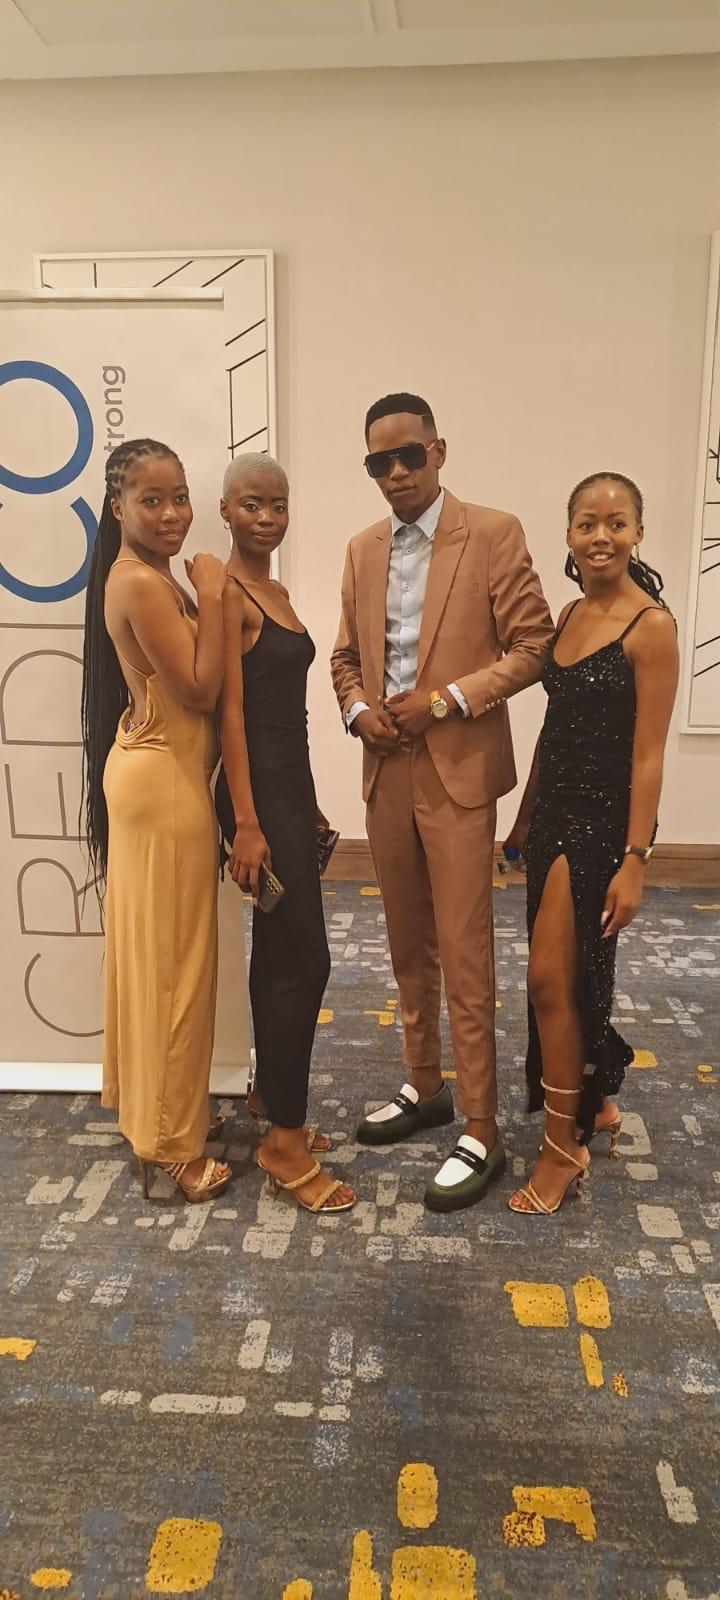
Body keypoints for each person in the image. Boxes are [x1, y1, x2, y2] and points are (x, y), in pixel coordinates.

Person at [331, 393, 554, 1212]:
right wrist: (358, 710)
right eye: (378, 462)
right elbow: (345, 658)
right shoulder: (361, 549)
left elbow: (534, 645)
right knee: (406, 943)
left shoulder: (491, 533)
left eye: (408, 456)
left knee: (464, 952)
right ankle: (424, 1084)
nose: (394, 473)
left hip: (457, 769)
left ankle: (482, 1124)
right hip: (385, 770)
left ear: (439, 450)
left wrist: (448, 699)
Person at [505, 471, 679, 1216]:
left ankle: (562, 1148)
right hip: (552, 819)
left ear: (638, 531)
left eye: (615, 522)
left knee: (551, 981)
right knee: (567, 979)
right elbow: (558, 725)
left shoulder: (652, 627)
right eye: (587, 523)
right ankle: (597, 1098)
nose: (600, 536)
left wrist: (637, 859)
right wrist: (524, 813)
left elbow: (649, 755)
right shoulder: (572, 612)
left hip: (605, 827)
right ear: (569, 533)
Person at [81, 438, 231, 1204]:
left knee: (158, 958)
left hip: (160, 775)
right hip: (165, 785)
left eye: (180, 497)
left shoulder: (147, 575)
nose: (172, 514)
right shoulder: (142, 582)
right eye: (152, 500)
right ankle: (172, 1146)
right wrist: (217, 595)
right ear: (119, 507)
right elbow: (201, 689)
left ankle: (160, 1116)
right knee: (176, 966)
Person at [215, 453, 355, 1215]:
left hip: (285, 786)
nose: (266, 518)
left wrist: (307, 802)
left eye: (277, 505)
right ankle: (286, 1145)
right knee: (306, 959)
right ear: (225, 510)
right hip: (255, 795)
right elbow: (230, 715)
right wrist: (247, 820)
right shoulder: (227, 593)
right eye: (251, 505)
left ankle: (273, 1100)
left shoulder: (277, 592)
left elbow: (285, 715)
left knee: (278, 953)